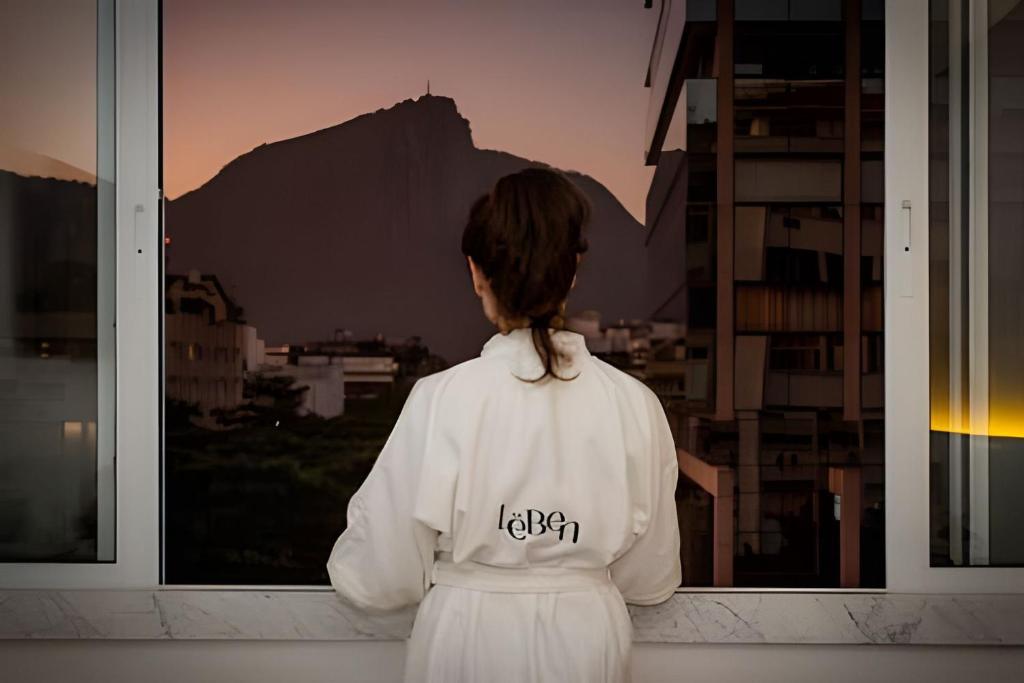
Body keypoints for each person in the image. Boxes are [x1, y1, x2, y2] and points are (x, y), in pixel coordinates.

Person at [326, 167, 681, 683]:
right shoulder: (635, 404)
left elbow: (377, 576)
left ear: (476, 271)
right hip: (587, 640)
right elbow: (650, 578)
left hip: (465, 638)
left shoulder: (440, 399)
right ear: (572, 270)